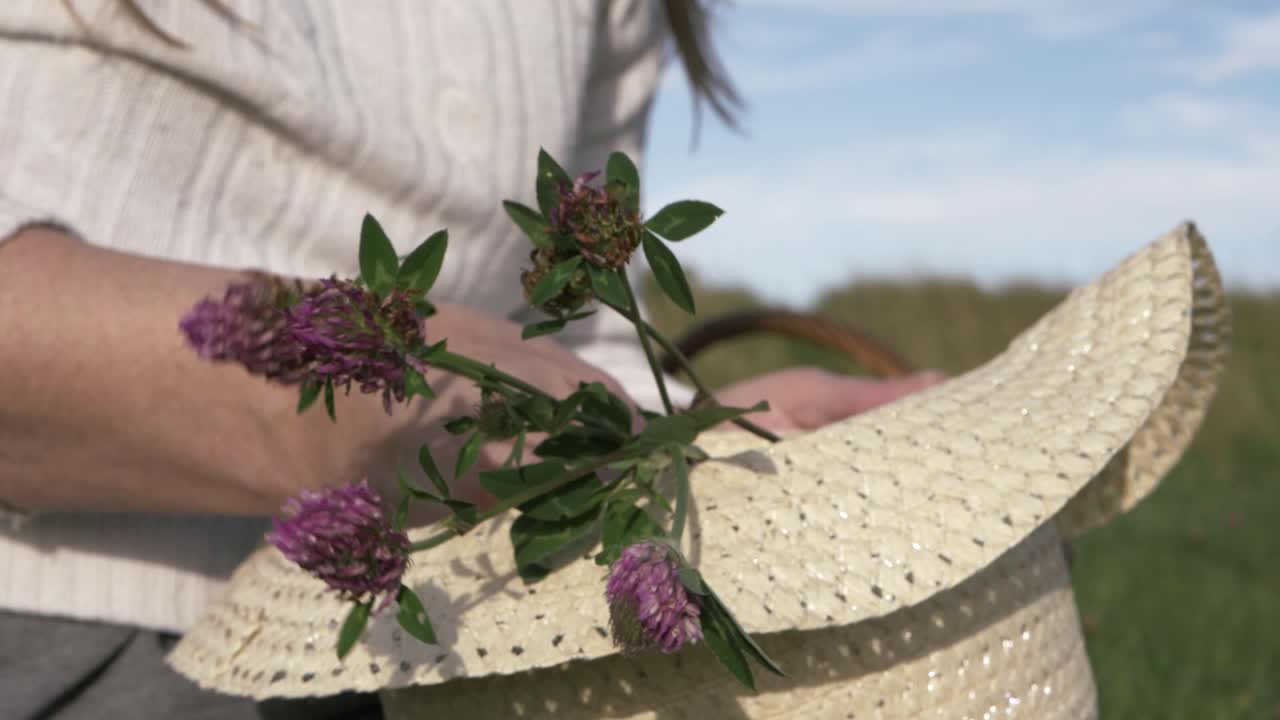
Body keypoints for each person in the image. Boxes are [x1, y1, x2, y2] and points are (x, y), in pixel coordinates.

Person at [0, 2, 940, 717]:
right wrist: (347, 402)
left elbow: (567, 318)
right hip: (60, 631)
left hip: (446, 644)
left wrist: (699, 442)